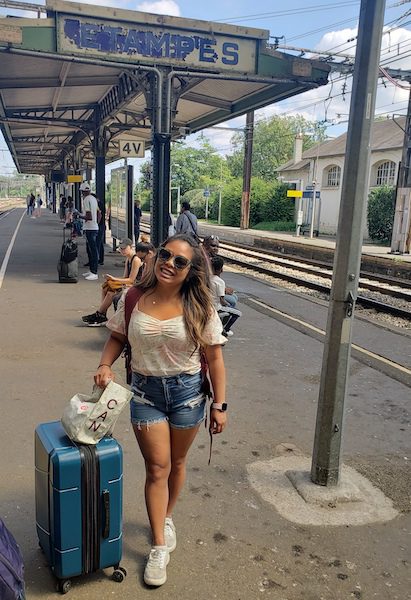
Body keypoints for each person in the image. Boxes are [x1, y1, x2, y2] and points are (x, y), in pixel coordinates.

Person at [94, 234, 227, 587]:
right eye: (165, 255)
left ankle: (166, 516)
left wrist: (220, 405)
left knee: (177, 464)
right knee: (157, 468)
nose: (169, 263)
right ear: (156, 257)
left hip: (187, 394)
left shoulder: (200, 306)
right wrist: (105, 365)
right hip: (145, 392)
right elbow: (117, 337)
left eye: (180, 261)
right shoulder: (134, 297)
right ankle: (157, 546)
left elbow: (214, 357)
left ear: (190, 270)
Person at [82, 240, 151, 326]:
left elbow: (131, 280)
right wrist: (112, 279)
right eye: (121, 249)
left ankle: (100, 314)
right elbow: (125, 277)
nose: (122, 251)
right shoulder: (128, 259)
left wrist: (114, 279)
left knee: (111, 293)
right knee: (106, 287)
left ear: (130, 247)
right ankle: (102, 313)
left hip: (135, 284)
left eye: (124, 248)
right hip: (130, 283)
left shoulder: (135, 259)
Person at [202, 235, 238, 308]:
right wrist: (223, 290)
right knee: (232, 301)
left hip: (212, 289)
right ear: (205, 245)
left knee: (234, 297)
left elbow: (217, 279)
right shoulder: (203, 259)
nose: (216, 249)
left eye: (217, 247)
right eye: (213, 246)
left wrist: (223, 288)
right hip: (206, 293)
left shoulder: (212, 258)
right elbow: (205, 282)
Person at [210, 256, 242, 337]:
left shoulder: (207, 278)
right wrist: (228, 305)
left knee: (230, 308)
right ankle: (225, 329)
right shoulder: (220, 282)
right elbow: (222, 301)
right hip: (216, 307)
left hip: (207, 305)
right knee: (237, 313)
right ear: (221, 270)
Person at [79, 182, 101, 281]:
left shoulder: (86, 199)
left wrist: (79, 216)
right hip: (94, 227)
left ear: (83, 191)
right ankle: (91, 270)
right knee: (92, 250)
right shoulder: (93, 199)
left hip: (89, 228)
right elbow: (99, 213)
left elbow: (89, 216)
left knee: (93, 251)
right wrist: (96, 223)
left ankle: (94, 272)